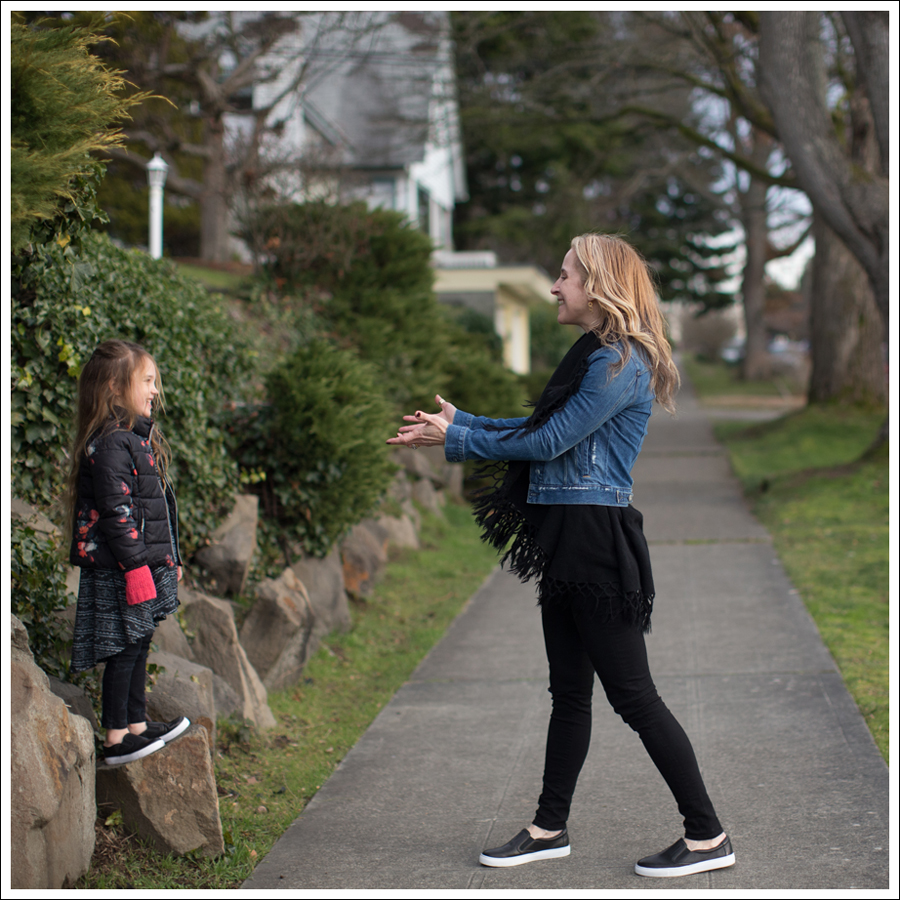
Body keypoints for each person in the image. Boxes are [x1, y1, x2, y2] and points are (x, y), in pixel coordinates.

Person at [388, 233, 735, 878]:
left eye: (566, 275)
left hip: (597, 545)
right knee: (570, 694)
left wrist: (459, 438)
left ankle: (708, 835)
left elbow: (548, 442)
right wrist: (462, 425)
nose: (555, 285)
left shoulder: (618, 363)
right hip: (569, 540)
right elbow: (540, 429)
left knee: (634, 697)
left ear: (600, 288)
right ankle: (549, 828)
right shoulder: (594, 357)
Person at [66, 340, 190, 767]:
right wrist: (137, 567)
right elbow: (117, 513)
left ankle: (136, 724)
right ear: (116, 387)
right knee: (124, 646)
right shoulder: (111, 443)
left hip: (139, 564)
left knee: (139, 641)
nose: (155, 390)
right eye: (148, 381)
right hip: (120, 567)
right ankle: (116, 737)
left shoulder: (131, 438)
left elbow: (153, 509)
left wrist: (168, 560)